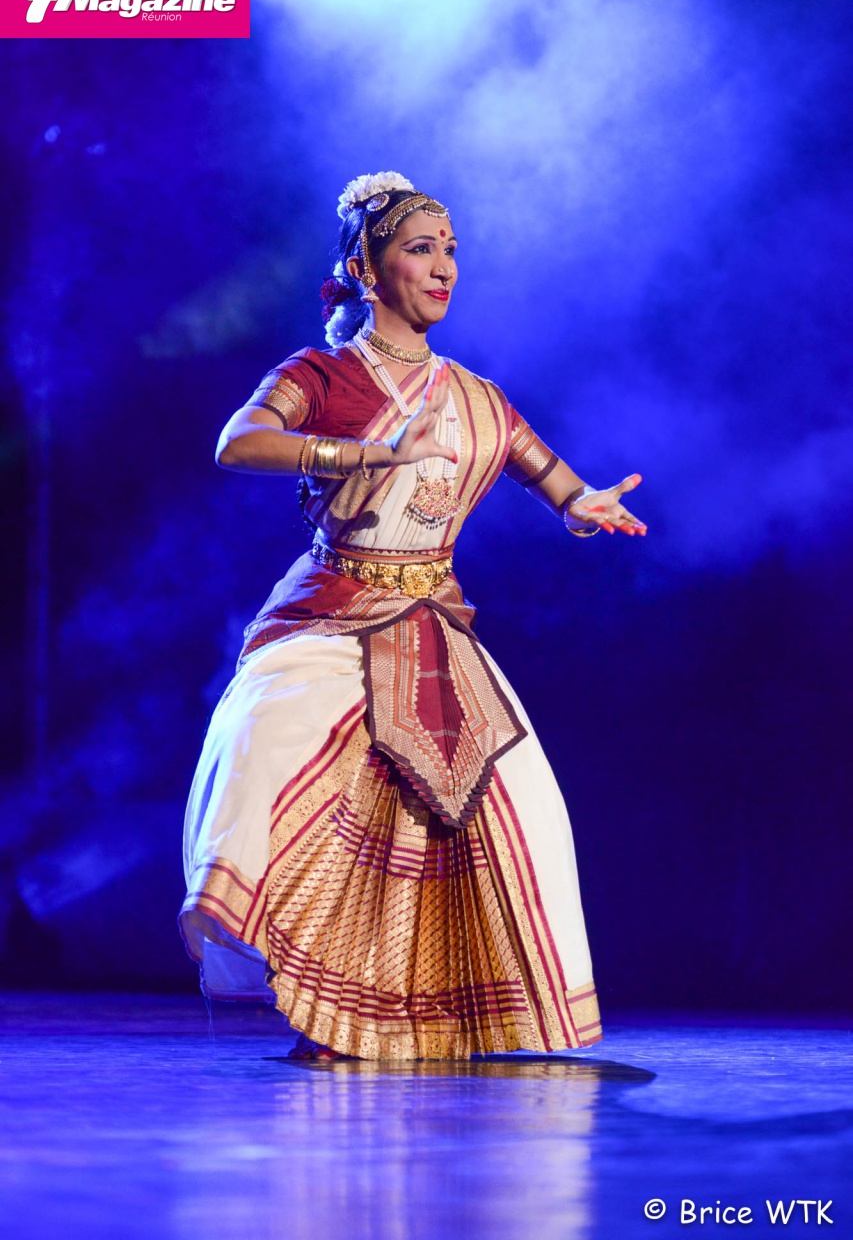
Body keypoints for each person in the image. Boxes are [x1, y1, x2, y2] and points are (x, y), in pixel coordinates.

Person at [179, 172, 646, 1061]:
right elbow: (238, 443)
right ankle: (311, 984)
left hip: (432, 625)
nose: (443, 268)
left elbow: (550, 478)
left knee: (521, 806)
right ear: (365, 268)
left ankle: (437, 1011)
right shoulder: (318, 376)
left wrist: (582, 505)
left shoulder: (477, 398)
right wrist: (369, 453)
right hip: (332, 612)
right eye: (420, 249)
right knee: (265, 745)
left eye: (451, 251)